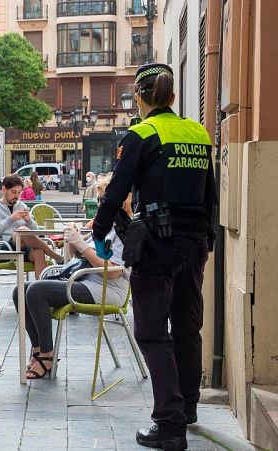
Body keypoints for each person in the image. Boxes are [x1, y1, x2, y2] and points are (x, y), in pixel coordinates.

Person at [91, 63, 217, 451]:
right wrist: (208, 240)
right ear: (173, 97)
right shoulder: (198, 133)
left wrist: (99, 233)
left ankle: (169, 423)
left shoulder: (141, 134)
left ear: (140, 98)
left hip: (158, 245)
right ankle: (188, 408)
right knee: (187, 326)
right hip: (195, 243)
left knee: (150, 331)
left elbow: (116, 191)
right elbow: (210, 193)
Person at [12, 174, 132, 379]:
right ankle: (39, 350)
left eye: (103, 200)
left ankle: (47, 356)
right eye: (98, 199)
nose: (99, 204)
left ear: (120, 202)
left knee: (37, 290)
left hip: (106, 289)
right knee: (20, 291)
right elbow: (81, 256)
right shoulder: (105, 226)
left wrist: (82, 245)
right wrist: (73, 240)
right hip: (86, 280)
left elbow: (112, 273)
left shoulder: (124, 230)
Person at [0, 174, 64, 278]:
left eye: (19, 192)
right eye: (13, 192)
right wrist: (10, 219)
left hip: (25, 247)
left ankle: (42, 287)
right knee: (21, 230)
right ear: (4, 189)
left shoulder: (21, 205)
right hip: (4, 249)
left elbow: (36, 233)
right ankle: (57, 257)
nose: (17, 196)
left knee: (38, 252)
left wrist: (29, 221)